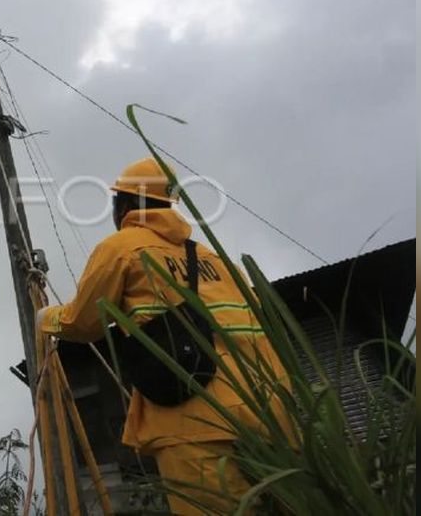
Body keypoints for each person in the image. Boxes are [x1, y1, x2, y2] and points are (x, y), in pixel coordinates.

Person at [35, 158, 288, 515]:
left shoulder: (122, 247)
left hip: (195, 425)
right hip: (270, 420)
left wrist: (46, 319)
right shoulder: (214, 259)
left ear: (123, 204)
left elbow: (85, 322)